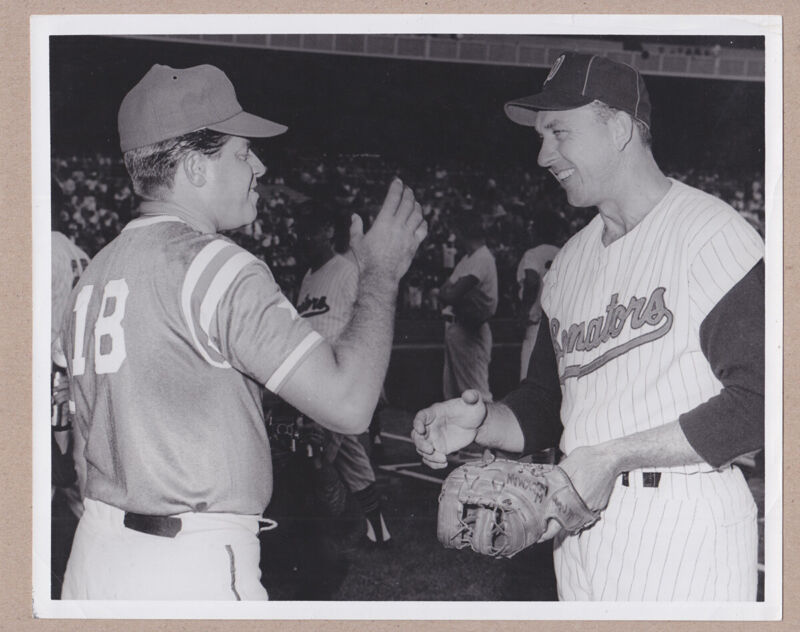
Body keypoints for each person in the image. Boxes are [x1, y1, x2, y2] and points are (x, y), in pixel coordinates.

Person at [59, 63, 426, 600]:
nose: (259, 164)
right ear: (194, 167)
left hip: (95, 557)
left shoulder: (94, 271)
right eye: (240, 151)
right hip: (190, 567)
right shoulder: (215, 265)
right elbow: (350, 404)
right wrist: (381, 274)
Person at [412, 52, 764, 601]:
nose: (543, 155)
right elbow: (546, 401)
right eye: (540, 137)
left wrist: (616, 455)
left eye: (558, 132)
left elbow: (765, 400)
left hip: (686, 526)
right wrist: (481, 424)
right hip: (578, 533)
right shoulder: (571, 263)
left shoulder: (711, 234)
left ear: (620, 127)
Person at [293, 204, 392, 546]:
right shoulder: (308, 276)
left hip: (333, 379)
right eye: (299, 231)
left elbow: (367, 324)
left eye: (310, 231)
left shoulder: (347, 271)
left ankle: (321, 535)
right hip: (308, 381)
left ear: (327, 232)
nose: (303, 238)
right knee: (349, 456)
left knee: (317, 458)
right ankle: (378, 530)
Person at [438, 213, 498, 402]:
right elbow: (444, 291)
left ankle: (489, 432)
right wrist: (451, 293)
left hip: (472, 329)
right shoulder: (468, 258)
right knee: (455, 395)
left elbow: (452, 293)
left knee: (476, 393)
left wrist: (452, 293)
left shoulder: (481, 257)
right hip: (458, 327)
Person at [516, 213, 561, 380]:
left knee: (529, 379)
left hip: (536, 322)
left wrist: (524, 312)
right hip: (558, 322)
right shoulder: (563, 251)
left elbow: (532, 280)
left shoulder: (533, 253)